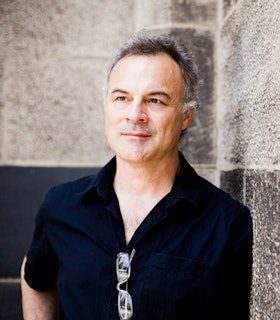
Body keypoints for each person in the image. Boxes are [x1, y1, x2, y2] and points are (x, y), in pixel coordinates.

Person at [20, 33, 253, 320]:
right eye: (122, 97)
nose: (135, 114)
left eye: (155, 100)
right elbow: (34, 277)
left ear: (186, 116)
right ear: (106, 107)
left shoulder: (227, 223)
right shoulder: (60, 206)